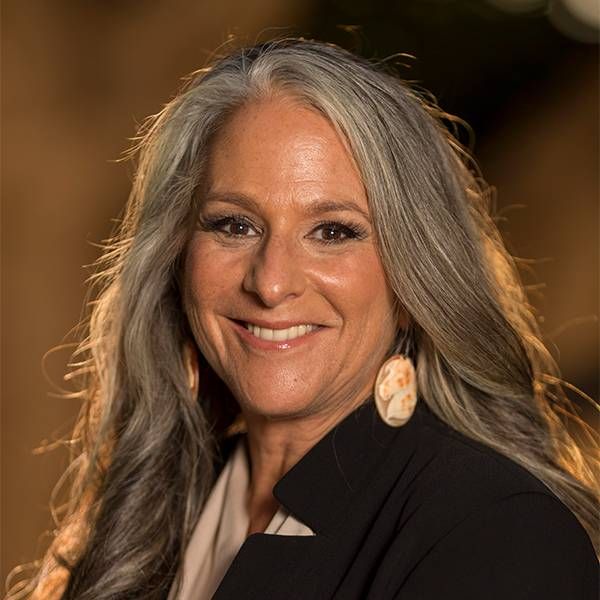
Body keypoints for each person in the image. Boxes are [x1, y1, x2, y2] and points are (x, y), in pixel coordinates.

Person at [9, 38, 598, 600]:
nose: (270, 282)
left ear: (417, 270)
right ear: (176, 254)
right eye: (234, 225)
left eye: (332, 232)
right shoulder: (158, 507)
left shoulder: (495, 529)